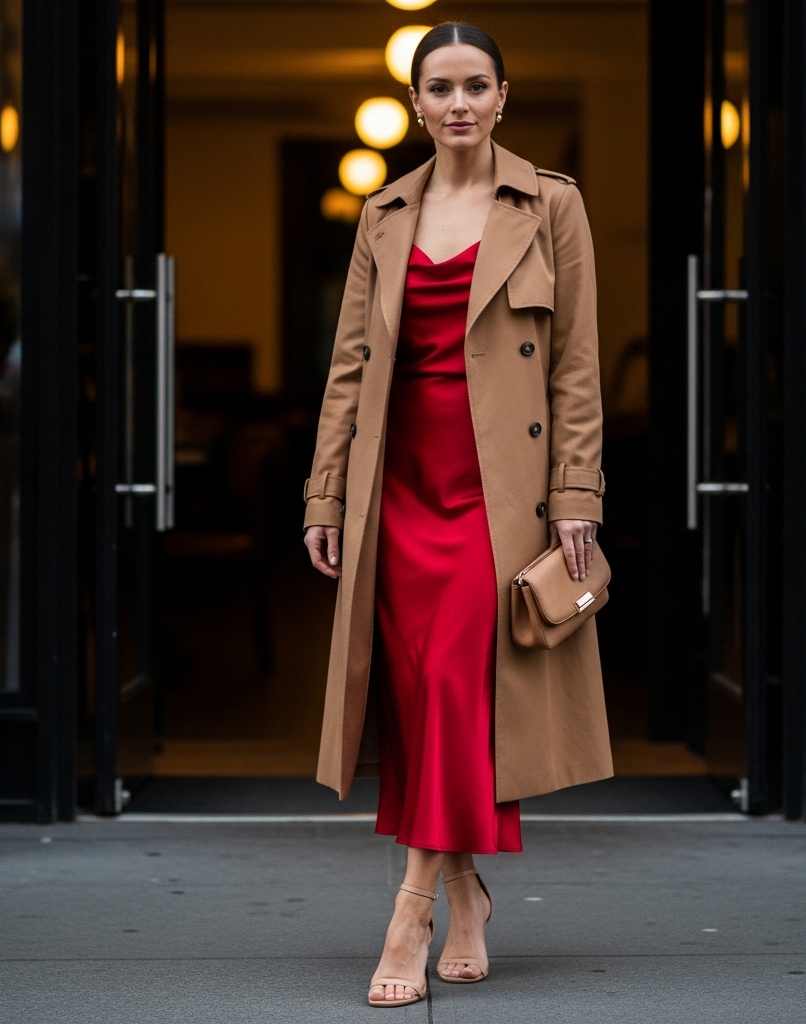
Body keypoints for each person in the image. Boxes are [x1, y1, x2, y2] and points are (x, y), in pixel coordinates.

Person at [302, 21, 612, 1008]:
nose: (460, 102)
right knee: (417, 693)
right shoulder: (382, 214)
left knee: (454, 682)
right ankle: (469, 889)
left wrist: (576, 494)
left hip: (500, 496)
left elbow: (576, 365)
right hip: (395, 487)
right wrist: (324, 492)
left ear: (503, 96)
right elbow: (349, 366)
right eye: (440, 87)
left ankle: (409, 906)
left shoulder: (552, 205)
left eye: (477, 84)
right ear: (419, 103)